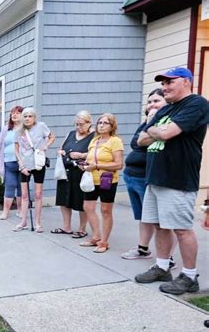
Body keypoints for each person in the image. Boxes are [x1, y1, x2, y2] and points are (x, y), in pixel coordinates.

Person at [134, 67, 209, 295]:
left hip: (177, 179)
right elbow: (140, 140)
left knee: (182, 229)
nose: (165, 87)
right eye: (163, 83)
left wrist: (157, 131)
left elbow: (164, 134)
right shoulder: (166, 110)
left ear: (186, 82)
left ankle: (189, 276)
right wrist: (160, 130)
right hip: (155, 178)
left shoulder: (196, 104)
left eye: (170, 82)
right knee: (159, 226)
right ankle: (163, 267)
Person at [121, 89, 177, 267]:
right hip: (132, 176)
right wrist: (149, 122)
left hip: (148, 177)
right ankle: (142, 248)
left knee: (161, 221)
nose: (152, 105)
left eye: (157, 101)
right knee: (144, 217)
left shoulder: (167, 122)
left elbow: (147, 142)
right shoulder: (147, 122)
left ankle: (168, 257)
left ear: (166, 103)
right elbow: (136, 142)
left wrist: (152, 122)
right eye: (150, 101)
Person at [79, 113, 124, 253]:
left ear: (112, 126)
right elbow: (91, 159)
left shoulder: (115, 141)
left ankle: (104, 242)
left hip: (107, 179)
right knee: (88, 207)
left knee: (105, 210)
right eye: (100, 122)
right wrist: (85, 164)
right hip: (91, 179)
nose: (102, 125)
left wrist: (97, 166)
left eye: (105, 123)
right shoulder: (95, 140)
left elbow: (118, 164)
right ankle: (96, 236)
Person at [52, 110, 94, 238]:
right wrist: (60, 152)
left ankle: (82, 228)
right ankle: (66, 227)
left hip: (81, 172)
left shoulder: (93, 136)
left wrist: (82, 155)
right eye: (76, 124)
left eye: (81, 124)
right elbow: (61, 148)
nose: (78, 127)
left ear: (89, 123)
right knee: (64, 200)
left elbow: (96, 153)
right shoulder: (70, 134)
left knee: (82, 201)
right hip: (66, 172)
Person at [14, 107, 55, 233]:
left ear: (34, 117)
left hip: (38, 164)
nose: (27, 118)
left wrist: (45, 146)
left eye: (30, 116)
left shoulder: (41, 126)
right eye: (25, 116)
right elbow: (16, 149)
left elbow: (51, 136)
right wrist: (21, 166)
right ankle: (23, 222)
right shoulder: (18, 130)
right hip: (24, 166)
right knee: (25, 195)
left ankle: (37, 223)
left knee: (38, 194)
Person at [0, 106, 23, 220]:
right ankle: (5, 211)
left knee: (22, 188)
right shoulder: (6, 129)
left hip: (23, 164)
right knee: (10, 186)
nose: (14, 115)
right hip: (8, 163)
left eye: (17, 113)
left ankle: (21, 210)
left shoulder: (26, 129)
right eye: (12, 113)